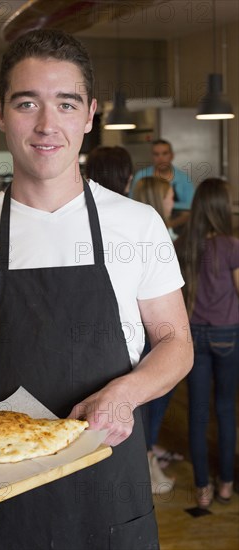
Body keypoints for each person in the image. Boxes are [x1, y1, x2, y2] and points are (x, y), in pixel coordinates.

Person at [0, 29, 193, 550]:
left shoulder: (138, 226)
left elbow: (176, 344)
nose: (47, 125)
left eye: (65, 104)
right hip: (4, 504)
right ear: (1, 112)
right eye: (28, 104)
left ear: (89, 114)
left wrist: (123, 395)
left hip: (113, 486)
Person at [175, 178, 239, 509]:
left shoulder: (185, 243)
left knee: (198, 413)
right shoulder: (232, 245)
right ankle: (226, 485)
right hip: (228, 334)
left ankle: (203, 490)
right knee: (226, 409)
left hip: (194, 335)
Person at [133, 176, 183, 492]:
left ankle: (149, 452)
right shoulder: (155, 234)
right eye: (169, 196)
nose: (173, 202)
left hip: (155, 331)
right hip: (151, 333)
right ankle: (147, 458)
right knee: (154, 397)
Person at [130, 139, 194, 226]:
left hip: (177, 226)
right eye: (156, 154)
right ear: (152, 156)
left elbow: (191, 207)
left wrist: (167, 225)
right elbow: (132, 203)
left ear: (172, 156)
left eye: (164, 153)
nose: (160, 158)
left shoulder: (183, 179)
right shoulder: (141, 176)